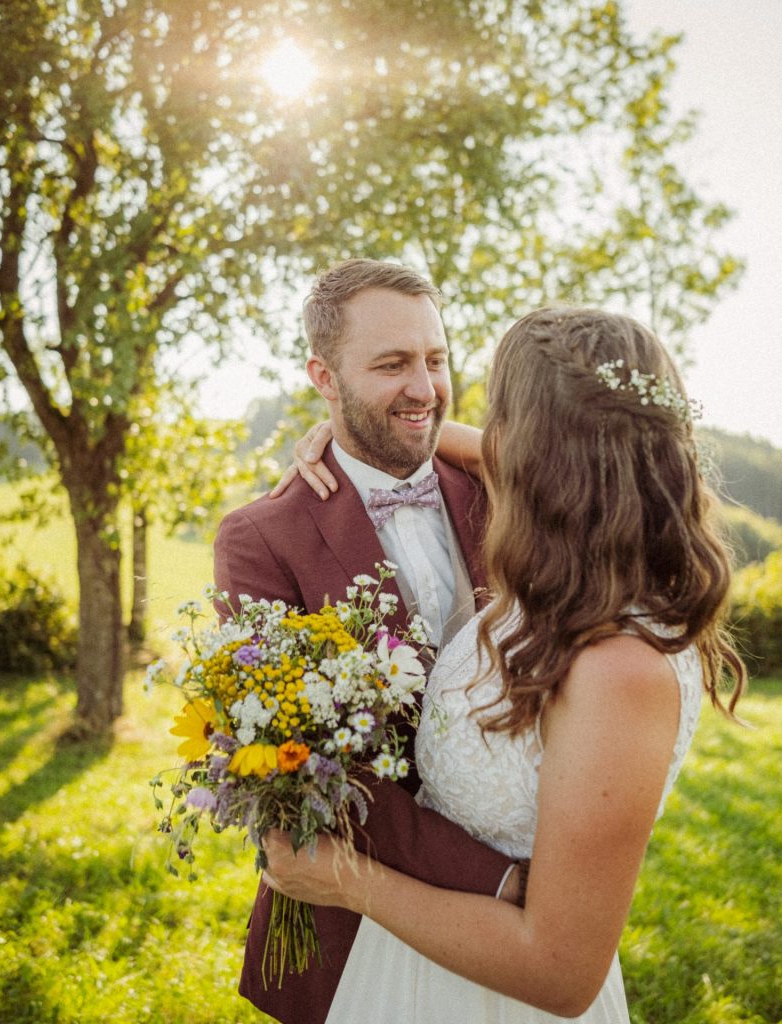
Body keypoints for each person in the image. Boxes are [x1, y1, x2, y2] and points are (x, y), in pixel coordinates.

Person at [260, 306, 747, 1023]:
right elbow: (468, 446)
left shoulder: (621, 668)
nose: (492, 437)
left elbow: (559, 973)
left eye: (503, 415)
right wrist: (342, 436)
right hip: (403, 970)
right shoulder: (569, 588)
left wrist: (348, 882)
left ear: (543, 449)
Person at [213, 258, 526, 1024]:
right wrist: (505, 885)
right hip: (364, 924)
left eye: (435, 359)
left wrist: (432, 429)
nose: (422, 385)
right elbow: (306, 772)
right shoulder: (260, 539)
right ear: (323, 375)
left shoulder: (497, 487)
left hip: (536, 919)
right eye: (390, 364)